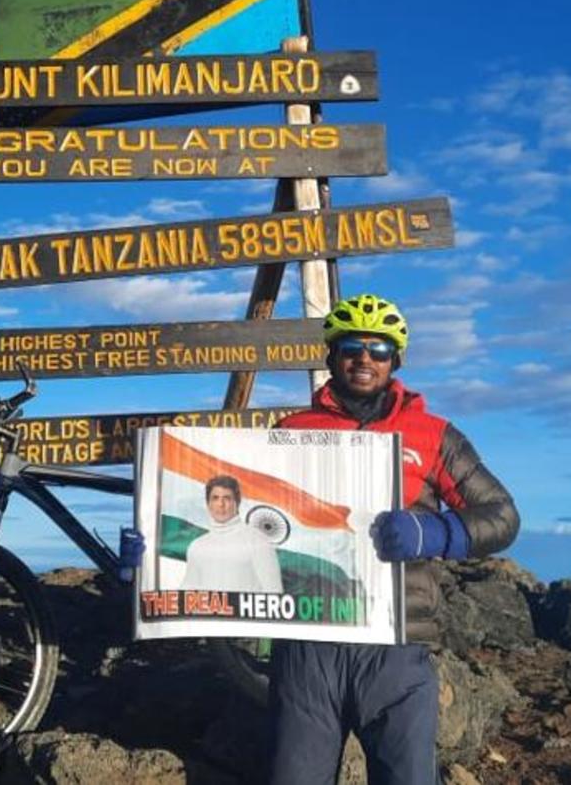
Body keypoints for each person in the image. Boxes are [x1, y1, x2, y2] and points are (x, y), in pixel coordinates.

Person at [267, 293, 520, 785]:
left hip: (397, 644)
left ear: (395, 359)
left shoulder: (432, 434)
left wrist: (435, 531)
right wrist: (160, 569)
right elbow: (250, 517)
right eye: (351, 347)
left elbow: (503, 516)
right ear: (331, 357)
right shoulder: (290, 432)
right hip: (309, 643)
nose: (364, 358)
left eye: (378, 348)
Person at [179, 475, 284, 593]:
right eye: (215, 498)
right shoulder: (197, 546)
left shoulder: (257, 541)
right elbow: (188, 593)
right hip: (206, 612)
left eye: (227, 498)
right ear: (208, 504)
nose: (221, 504)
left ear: (237, 502)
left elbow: (274, 593)